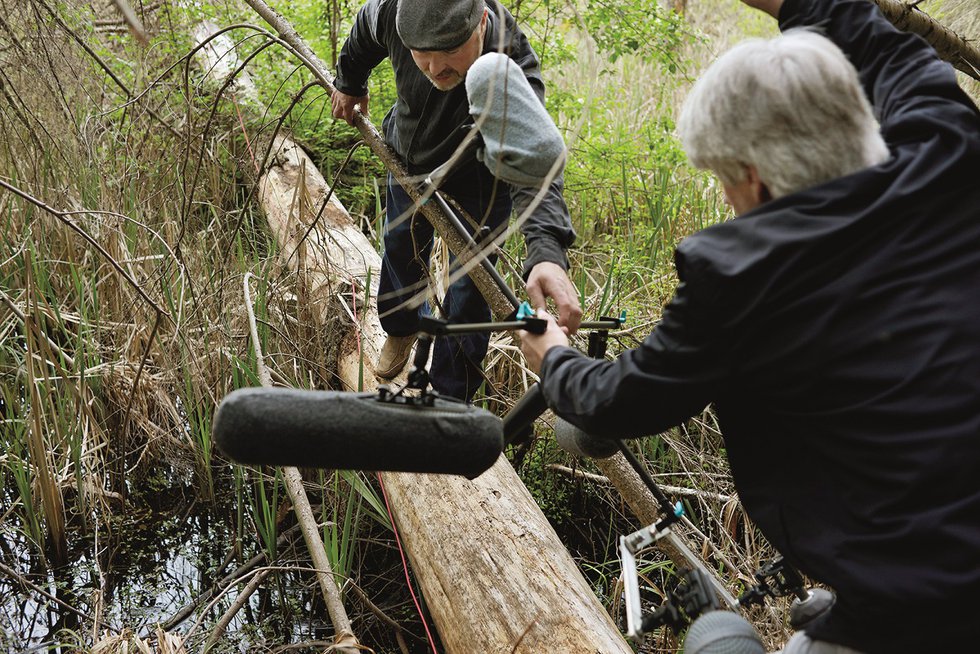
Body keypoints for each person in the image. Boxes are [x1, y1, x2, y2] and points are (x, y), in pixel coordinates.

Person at [520, 0, 980, 651]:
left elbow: (622, 398)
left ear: (755, 179)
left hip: (920, 605)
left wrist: (555, 358)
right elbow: (895, 52)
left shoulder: (742, 276)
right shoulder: (948, 152)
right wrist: (799, 5)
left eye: (724, 182)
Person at [331, 0, 582, 402]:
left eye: (450, 50)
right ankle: (401, 328)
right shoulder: (393, 11)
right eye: (421, 54)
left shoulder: (509, 59)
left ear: (481, 22)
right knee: (399, 246)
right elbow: (363, 32)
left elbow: (535, 167)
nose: (434, 68)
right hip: (406, 157)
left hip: (478, 180)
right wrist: (350, 81)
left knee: (469, 289)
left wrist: (547, 249)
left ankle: (451, 396)